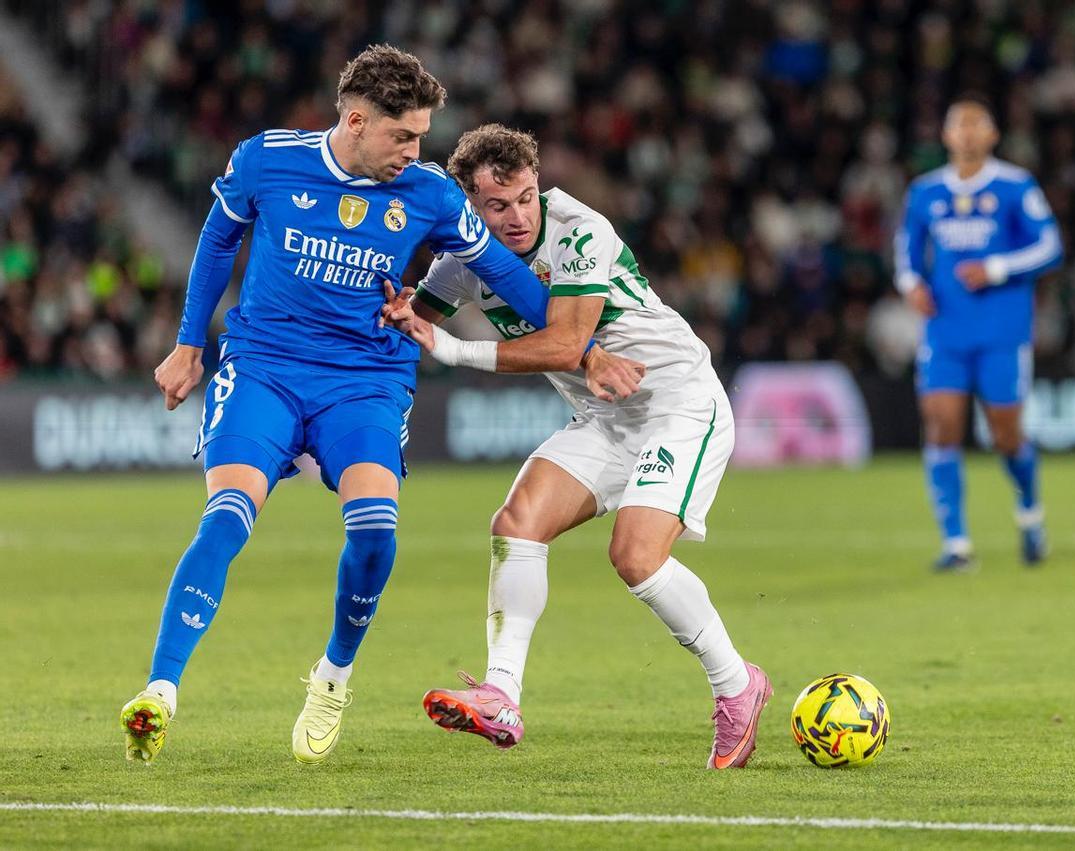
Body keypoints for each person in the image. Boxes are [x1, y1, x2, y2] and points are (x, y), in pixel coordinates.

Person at [119, 45, 640, 766]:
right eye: (404, 135)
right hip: (266, 365)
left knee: (374, 528)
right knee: (228, 514)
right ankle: (160, 690)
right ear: (357, 120)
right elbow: (218, 238)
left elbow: (506, 276)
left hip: (365, 378)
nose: (417, 150)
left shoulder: (429, 194)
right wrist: (188, 344)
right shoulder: (267, 160)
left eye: (422, 135)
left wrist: (585, 349)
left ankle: (333, 674)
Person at [382, 124, 771, 770]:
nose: (517, 217)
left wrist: (447, 348)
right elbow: (412, 319)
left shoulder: (581, 228)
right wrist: (392, 317)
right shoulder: (461, 261)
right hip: (605, 416)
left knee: (635, 555)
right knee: (516, 523)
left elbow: (567, 344)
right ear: (469, 207)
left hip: (677, 400)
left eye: (526, 198)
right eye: (497, 206)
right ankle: (502, 692)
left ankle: (737, 684)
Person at [894, 94, 1063, 572]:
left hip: (1002, 331)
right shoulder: (925, 192)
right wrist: (910, 284)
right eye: (958, 125)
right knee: (942, 426)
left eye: (976, 124)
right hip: (945, 330)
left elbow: (1050, 245)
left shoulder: (1015, 185)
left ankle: (1030, 513)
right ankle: (956, 544)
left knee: (1006, 435)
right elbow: (906, 247)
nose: (967, 132)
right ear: (946, 136)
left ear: (992, 135)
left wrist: (997, 266)